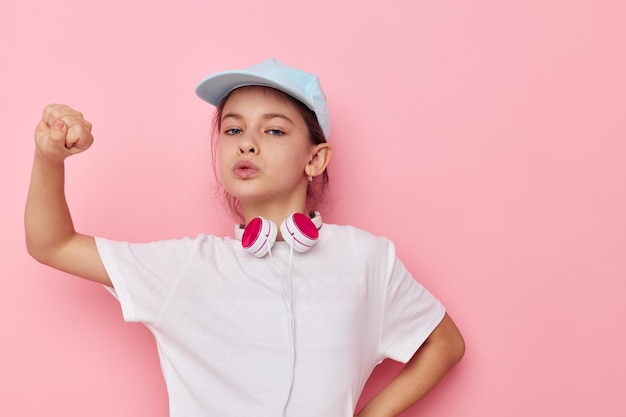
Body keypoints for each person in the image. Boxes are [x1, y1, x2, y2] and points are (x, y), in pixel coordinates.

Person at [25, 58, 465, 417]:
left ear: (315, 159)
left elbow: (445, 342)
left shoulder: (367, 259)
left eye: (273, 130)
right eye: (233, 129)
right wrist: (49, 159)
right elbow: (53, 244)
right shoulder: (186, 268)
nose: (247, 143)